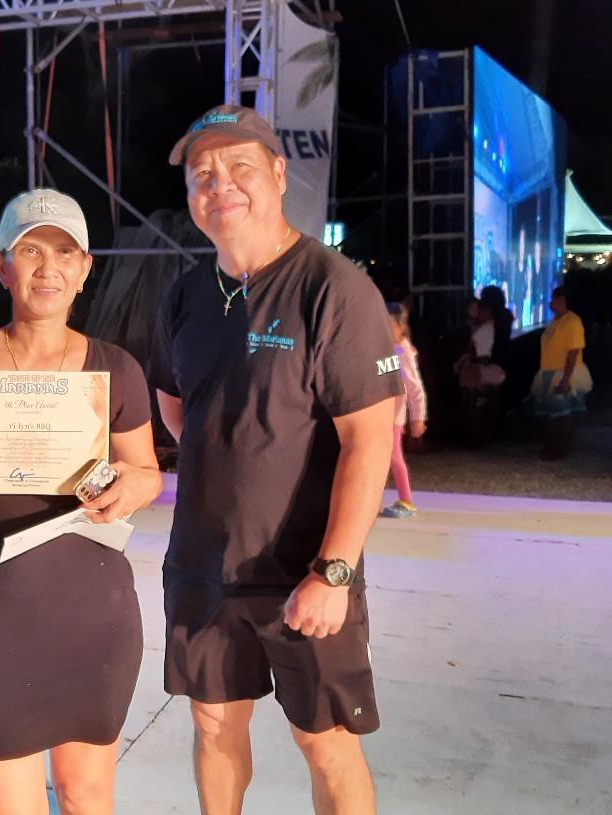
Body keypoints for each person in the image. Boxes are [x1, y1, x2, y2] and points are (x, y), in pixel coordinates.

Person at [151, 105, 401, 815]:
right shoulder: (186, 294)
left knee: (325, 741)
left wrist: (335, 570)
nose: (219, 184)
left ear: (279, 174)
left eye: (239, 168)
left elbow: (369, 441)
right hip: (202, 569)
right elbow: (176, 408)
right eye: (203, 173)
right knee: (213, 724)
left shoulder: (333, 287)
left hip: (304, 574)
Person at [0, 189, 164, 815]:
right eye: (29, 251)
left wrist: (132, 486)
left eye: (64, 252)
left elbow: (149, 472)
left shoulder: (117, 370)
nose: (47, 268)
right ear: (2, 267)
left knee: (84, 797)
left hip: (93, 613)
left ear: (85, 269)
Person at [529, 285, 593, 460]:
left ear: (564, 301)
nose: (552, 303)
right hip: (549, 371)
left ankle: (559, 449)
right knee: (551, 413)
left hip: (562, 372)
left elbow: (573, 351)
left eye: (555, 300)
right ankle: (552, 446)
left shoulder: (572, 321)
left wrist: (566, 377)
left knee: (561, 413)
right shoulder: (557, 321)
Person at [379, 303, 427, 519]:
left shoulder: (402, 350)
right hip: (381, 411)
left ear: (400, 326)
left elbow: (415, 388)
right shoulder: (387, 349)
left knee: (394, 455)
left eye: (389, 324)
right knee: (381, 456)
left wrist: (418, 418)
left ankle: (406, 500)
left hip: (394, 415)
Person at [455, 298, 506, 446]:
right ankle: (480, 434)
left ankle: (477, 435)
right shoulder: (483, 327)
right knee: (478, 403)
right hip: (480, 367)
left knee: (474, 403)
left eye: (481, 310)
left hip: (479, 367)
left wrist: (469, 359)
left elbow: (479, 351)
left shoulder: (486, 328)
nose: (478, 313)